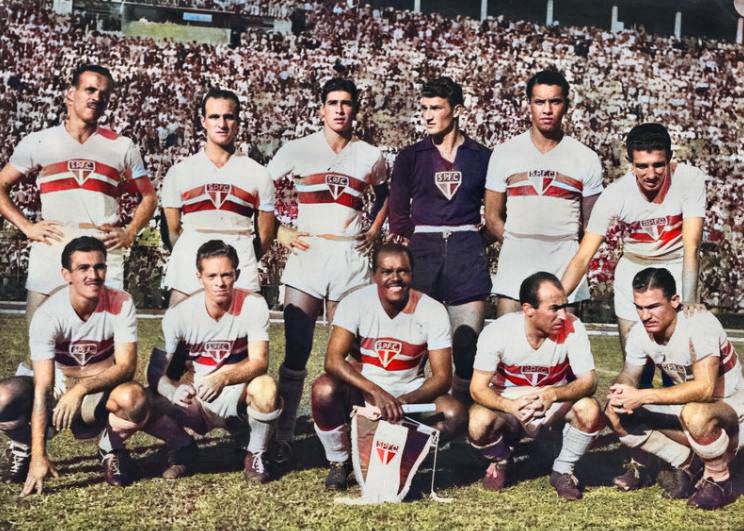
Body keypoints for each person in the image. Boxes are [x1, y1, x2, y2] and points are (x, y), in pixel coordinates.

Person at [266, 78, 388, 459]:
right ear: (321, 109)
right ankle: (283, 435)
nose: (339, 109)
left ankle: (351, 433)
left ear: (355, 110)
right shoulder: (297, 149)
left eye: (346, 103)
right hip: (309, 252)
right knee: (297, 348)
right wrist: (280, 233)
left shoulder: (370, 154)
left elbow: (387, 192)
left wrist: (374, 226)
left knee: (350, 353)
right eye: (332, 102)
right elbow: (262, 187)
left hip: (350, 257)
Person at [0, 64, 156, 324]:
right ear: (70, 94)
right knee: (40, 336)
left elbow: (149, 197)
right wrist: (27, 227)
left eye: (104, 94)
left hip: (101, 245)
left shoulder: (122, 146)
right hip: (53, 242)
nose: (97, 97)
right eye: (90, 90)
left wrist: (130, 232)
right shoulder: (39, 141)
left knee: (102, 337)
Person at [310, 242, 466, 489]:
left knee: (454, 414)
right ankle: (339, 460)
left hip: (408, 389)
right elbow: (333, 360)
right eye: (387, 271)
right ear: (375, 275)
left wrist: (405, 401)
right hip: (365, 390)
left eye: (403, 271)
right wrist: (376, 393)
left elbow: (442, 377)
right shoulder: (355, 302)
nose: (395, 278)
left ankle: (403, 454)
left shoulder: (432, 310)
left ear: (412, 274)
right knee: (323, 390)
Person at [0, 237, 150, 493]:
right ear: (66, 274)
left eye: (99, 266)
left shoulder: (121, 302)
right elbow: (43, 387)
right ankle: (24, 448)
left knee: (134, 398)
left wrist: (80, 389)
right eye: (83, 268)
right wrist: (40, 454)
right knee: (3, 398)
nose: (93, 275)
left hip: (99, 385)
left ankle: (110, 447)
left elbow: (126, 367)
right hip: (58, 383)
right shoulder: (48, 314)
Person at [388, 76, 492, 404]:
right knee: (415, 342)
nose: (428, 115)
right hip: (423, 253)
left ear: (457, 110)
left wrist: (472, 242)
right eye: (424, 109)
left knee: (466, 344)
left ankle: (459, 422)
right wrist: (418, 244)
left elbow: (496, 211)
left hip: (467, 253)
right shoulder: (411, 156)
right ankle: (411, 418)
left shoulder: (482, 156)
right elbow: (398, 214)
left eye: (436, 108)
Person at [605, 267, 743, 510]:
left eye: (654, 306)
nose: (645, 315)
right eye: (639, 307)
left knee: (695, 414)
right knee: (614, 410)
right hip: (693, 407)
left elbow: (705, 389)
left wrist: (643, 396)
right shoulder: (639, 333)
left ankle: (720, 479)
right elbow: (630, 373)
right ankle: (686, 463)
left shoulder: (698, 323)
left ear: (675, 300)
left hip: (733, 405)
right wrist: (622, 390)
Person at [561, 123, 706, 353]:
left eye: (659, 165)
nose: (651, 174)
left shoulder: (690, 179)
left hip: (676, 265)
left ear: (669, 158)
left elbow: (692, 245)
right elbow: (583, 256)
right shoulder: (615, 194)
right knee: (636, 359)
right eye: (642, 166)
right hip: (634, 268)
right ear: (631, 164)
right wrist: (557, 299)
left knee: (679, 359)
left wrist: (688, 299)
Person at [154, 240, 281, 482]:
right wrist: (173, 391)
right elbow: (160, 371)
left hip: (237, 389)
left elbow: (259, 362)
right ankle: (183, 447)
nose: (219, 282)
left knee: (266, 387)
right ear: (198, 276)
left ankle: (254, 453)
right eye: (211, 275)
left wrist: (222, 377)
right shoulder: (180, 314)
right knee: (147, 399)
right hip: (199, 394)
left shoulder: (253, 305)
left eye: (226, 275)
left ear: (237, 275)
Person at [468, 272, 603, 500]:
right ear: (529, 309)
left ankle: (563, 469)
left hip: (552, 403)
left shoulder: (573, 326)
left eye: (564, 306)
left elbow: (589, 382)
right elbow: (477, 388)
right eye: (554, 308)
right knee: (478, 421)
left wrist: (552, 394)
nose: (563, 315)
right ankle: (501, 459)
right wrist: (509, 406)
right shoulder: (498, 331)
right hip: (509, 404)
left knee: (590, 410)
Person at [485, 69, 603, 317]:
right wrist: (520, 243)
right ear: (529, 105)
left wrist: (563, 244)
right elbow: (493, 217)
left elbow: (592, 225)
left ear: (566, 105)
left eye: (555, 101)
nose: (547, 109)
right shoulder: (505, 153)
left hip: (564, 260)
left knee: (562, 345)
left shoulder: (586, 158)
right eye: (539, 102)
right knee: (509, 341)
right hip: (516, 259)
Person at [161, 88, 276, 307]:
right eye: (214, 116)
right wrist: (193, 252)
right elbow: (173, 232)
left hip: (239, 255)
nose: (221, 124)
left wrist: (241, 254)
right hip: (190, 259)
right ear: (203, 121)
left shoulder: (258, 173)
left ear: (238, 122)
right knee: (182, 331)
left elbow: (265, 236)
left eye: (228, 117)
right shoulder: (180, 171)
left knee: (242, 333)